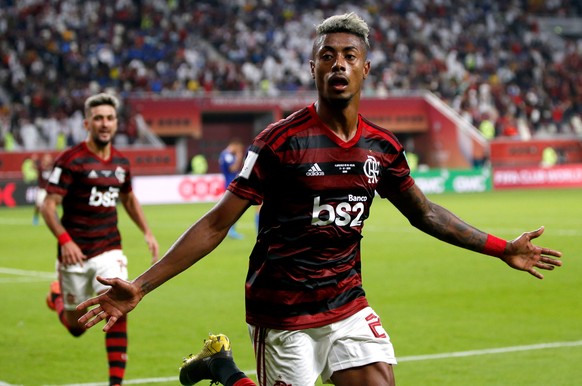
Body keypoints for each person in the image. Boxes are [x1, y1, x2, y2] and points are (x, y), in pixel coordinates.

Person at [77, 13, 563, 386]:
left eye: (349, 56)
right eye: (328, 55)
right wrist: (140, 286)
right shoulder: (280, 142)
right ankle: (223, 369)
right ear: (313, 67)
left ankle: (223, 366)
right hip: (283, 311)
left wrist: (504, 249)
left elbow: (426, 213)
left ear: (365, 69)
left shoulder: (382, 147)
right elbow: (216, 223)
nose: (339, 64)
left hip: (347, 303)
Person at [41, 93, 160, 386]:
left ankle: (115, 383)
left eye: (109, 118)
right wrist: (65, 240)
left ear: (116, 123)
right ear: (87, 123)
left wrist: (147, 231)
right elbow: (48, 205)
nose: (104, 124)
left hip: (109, 249)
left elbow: (129, 198)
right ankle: (57, 296)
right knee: (75, 327)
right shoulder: (71, 160)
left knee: (119, 302)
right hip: (75, 254)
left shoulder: (120, 162)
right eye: (98, 118)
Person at [218, 137, 245, 239]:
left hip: (230, 183)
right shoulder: (227, 155)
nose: (239, 151)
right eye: (238, 149)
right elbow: (232, 168)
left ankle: (231, 230)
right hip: (230, 184)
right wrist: (239, 157)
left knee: (233, 208)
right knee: (233, 208)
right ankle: (231, 230)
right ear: (234, 145)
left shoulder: (226, 155)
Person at [32, 153, 53, 225]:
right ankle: (35, 216)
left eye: (49, 159)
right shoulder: (41, 168)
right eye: (46, 159)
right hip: (42, 189)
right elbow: (34, 167)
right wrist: (34, 161)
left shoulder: (52, 168)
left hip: (49, 190)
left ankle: (50, 219)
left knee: (50, 205)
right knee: (38, 205)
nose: (48, 161)